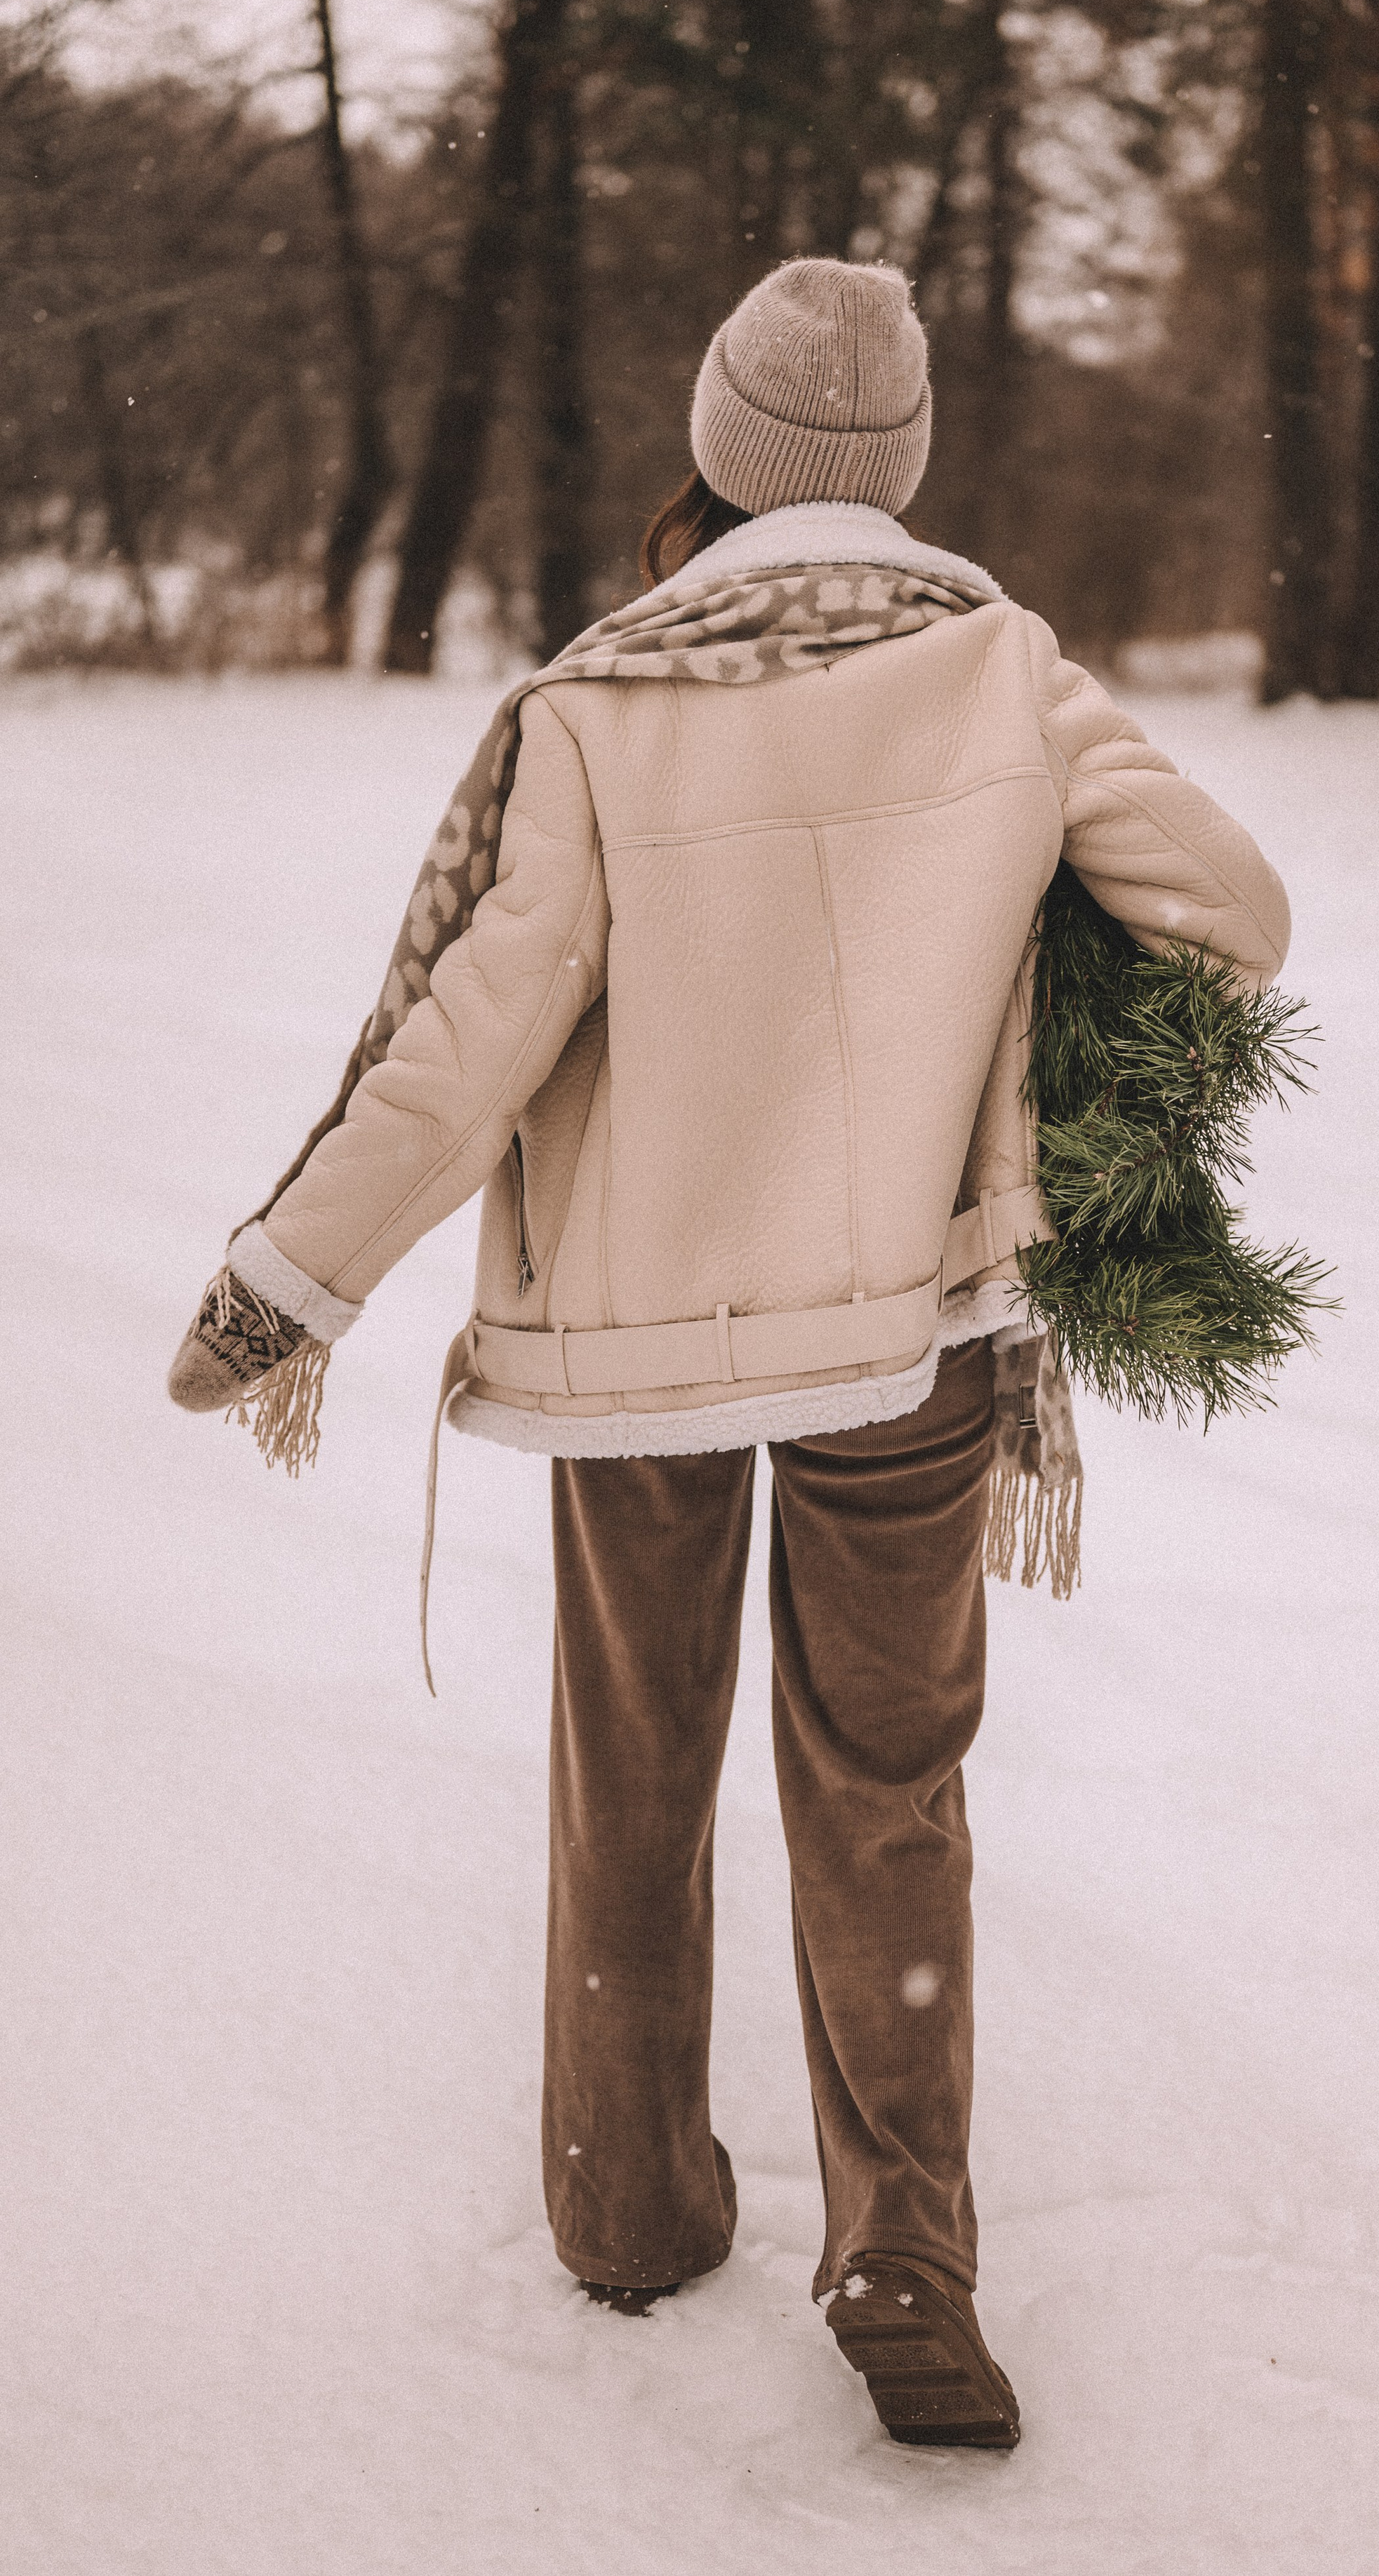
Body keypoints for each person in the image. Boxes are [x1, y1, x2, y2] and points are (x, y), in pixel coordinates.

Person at [168, 258, 1290, 2450]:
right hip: (907, 1340)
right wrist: (1035, 962)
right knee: (888, 1789)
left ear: (716, 458)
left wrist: (285, 1285)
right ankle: (903, 2243)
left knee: (638, 1769)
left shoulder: (600, 703)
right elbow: (1234, 908)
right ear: (902, 470)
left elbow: (471, 1037)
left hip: (636, 1352)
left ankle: (629, 2201)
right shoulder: (999, 668)